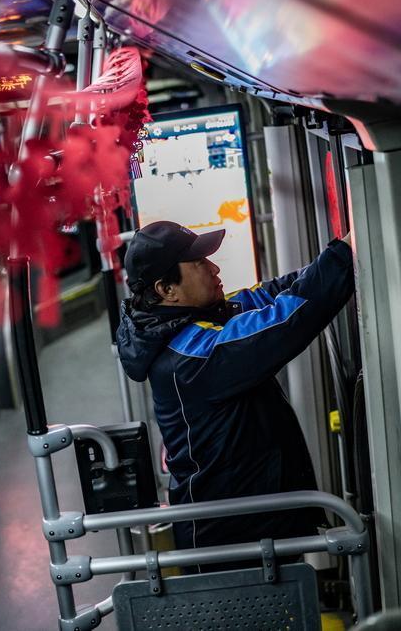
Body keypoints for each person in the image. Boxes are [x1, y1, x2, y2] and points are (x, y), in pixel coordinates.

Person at [117, 220, 355, 560]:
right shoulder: (190, 357)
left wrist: (344, 252)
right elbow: (286, 321)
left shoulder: (198, 316)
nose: (214, 268)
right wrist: (346, 252)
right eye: (199, 263)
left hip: (257, 526)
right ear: (167, 289)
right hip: (233, 545)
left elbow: (272, 294)